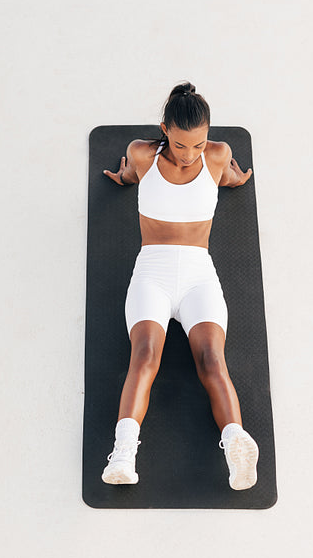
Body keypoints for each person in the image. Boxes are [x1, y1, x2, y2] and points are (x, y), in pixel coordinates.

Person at [101, 82, 259, 490]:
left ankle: (237, 444)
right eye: (182, 145)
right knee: (145, 356)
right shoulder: (142, 154)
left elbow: (225, 176)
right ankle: (123, 455)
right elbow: (130, 173)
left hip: (198, 275)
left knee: (210, 358)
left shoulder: (218, 155)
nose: (191, 155)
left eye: (199, 145)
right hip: (151, 272)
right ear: (164, 130)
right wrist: (121, 177)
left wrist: (235, 180)